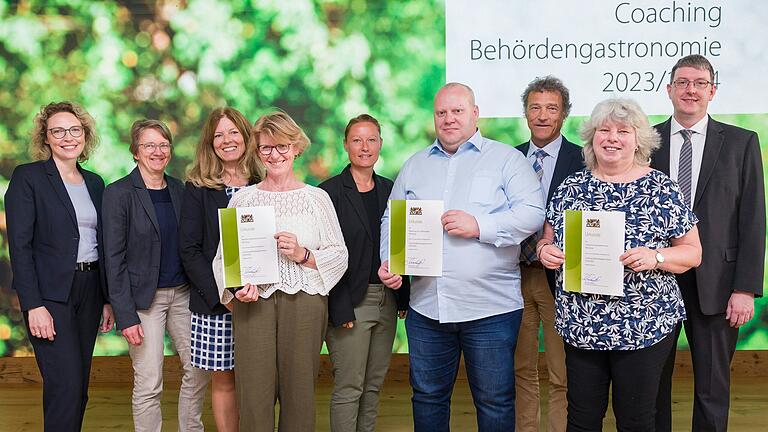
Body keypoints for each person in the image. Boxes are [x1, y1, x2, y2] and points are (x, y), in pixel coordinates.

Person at [378, 82, 546, 431]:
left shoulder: (506, 160)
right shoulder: (415, 165)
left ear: (475, 113)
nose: (449, 119)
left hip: (491, 310)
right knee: (426, 397)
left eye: (457, 111)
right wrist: (391, 261)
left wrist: (479, 225)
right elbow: (391, 219)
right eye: (442, 113)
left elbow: (532, 213)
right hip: (427, 308)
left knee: (495, 400)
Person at [537, 98, 702, 431]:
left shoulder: (661, 188)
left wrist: (656, 256)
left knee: (636, 420)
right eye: (604, 130)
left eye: (623, 131)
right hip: (582, 324)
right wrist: (545, 252)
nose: (612, 138)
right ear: (592, 137)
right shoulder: (572, 187)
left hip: (644, 324)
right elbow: (546, 240)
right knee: (581, 419)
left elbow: (692, 252)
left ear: (638, 139)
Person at [214, 111, 348, 432]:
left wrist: (303, 254)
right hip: (252, 304)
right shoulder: (243, 199)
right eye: (266, 148)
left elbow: (339, 255)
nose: (275, 155)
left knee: (299, 394)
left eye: (282, 146)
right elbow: (223, 259)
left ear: (296, 148)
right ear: (257, 152)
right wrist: (235, 288)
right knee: (253, 396)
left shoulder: (317, 198)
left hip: (305, 303)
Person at [653, 54, 765, 432]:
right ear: (669, 89)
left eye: (700, 83)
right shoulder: (645, 142)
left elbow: (753, 220)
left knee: (712, 387)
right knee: (652, 386)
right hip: (654, 283)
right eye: (683, 82)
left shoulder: (741, 142)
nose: (691, 90)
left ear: (712, 91)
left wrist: (745, 289)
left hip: (718, 283)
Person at [5, 101, 114, 432]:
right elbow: (20, 247)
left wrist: (108, 299)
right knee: (65, 385)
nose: (68, 137)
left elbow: (103, 244)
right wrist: (33, 304)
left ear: (85, 135)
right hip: (50, 296)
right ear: (46, 137)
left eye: (74, 130)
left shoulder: (96, 183)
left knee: (78, 386)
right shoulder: (29, 178)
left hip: (90, 290)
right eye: (58, 131)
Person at [102, 119, 208, 432]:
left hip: (184, 296)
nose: (157, 151)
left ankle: (191, 428)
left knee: (199, 369)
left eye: (163, 145)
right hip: (142, 301)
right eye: (149, 145)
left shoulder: (181, 189)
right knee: (149, 381)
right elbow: (113, 258)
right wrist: (126, 315)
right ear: (135, 152)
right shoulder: (118, 193)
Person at [319, 114, 410, 432]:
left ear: (381, 144)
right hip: (350, 304)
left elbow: (400, 245)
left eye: (371, 139)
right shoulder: (327, 194)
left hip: (387, 300)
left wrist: (403, 294)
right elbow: (324, 256)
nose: (364, 146)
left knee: (373, 387)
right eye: (356, 140)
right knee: (349, 388)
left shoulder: (392, 190)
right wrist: (339, 306)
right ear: (345, 145)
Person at [179, 107, 261, 432]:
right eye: (218, 135)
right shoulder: (198, 188)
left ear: (245, 135)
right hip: (215, 305)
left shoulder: (264, 184)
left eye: (233, 132)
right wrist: (222, 296)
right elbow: (189, 249)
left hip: (262, 299)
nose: (227, 140)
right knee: (224, 382)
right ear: (210, 144)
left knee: (258, 381)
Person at [514, 76, 584, 432]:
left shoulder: (583, 159)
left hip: (562, 278)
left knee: (562, 372)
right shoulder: (508, 159)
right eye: (535, 107)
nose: (542, 116)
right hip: (513, 277)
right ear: (525, 113)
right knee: (521, 369)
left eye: (551, 108)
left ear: (564, 114)